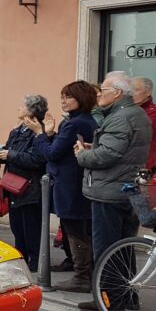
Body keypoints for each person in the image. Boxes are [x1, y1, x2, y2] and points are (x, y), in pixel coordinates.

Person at [75, 72, 151, 311]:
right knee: (124, 246)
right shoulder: (137, 114)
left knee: (107, 248)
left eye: (103, 90)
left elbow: (107, 155)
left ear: (117, 93)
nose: (99, 94)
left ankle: (109, 301)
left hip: (111, 190)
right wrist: (95, 147)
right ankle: (127, 295)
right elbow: (120, 149)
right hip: (128, 189)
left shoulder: (120, 117)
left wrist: (82, 155)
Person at [29, 81, 98, 292]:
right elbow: (61, 147)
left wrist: (40, 134)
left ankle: (82, 276)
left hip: (69, 183)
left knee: (75, 230)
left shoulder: (74, 123)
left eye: (68, 97)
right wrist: (50, 135)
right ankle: (86, 273)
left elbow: (52, 153)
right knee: (79, 229)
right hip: (77, 181)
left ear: (81, 98)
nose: (63, 101)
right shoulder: (85, 121)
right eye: (62, 96)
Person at [0, 95, 48, 272]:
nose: (18, 108)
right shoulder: (17, 130)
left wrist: (9, 155)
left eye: (21, 105)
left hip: (29, 186)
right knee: (17, 225)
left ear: (32, 110)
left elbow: (37, 159)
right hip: (13, 185)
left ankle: (34, 261)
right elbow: (9, 149)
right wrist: (0, 153)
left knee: (31, 225)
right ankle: (21, 257)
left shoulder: (39, 131)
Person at [132, 76, 156, 171]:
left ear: (148, 92)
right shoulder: (126, 109)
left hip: (143, 165)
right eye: (130, 90)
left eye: (136, 90)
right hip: (125, 164)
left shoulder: (155, 111)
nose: (132, 93)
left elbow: (138, 134)